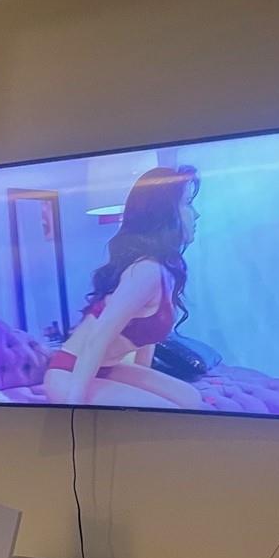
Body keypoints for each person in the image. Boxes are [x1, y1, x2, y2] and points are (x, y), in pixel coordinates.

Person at [43, 165, 203, 409]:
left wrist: (139, 386)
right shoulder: (146, 270)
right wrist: (74, 404)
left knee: (192, 400)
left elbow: (147, 342)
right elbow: (98, 338)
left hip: (107, 369)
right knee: (172, 414)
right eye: (188, 203)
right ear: (165, 213)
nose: (196, 214)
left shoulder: (164, 269)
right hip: (70, 372)